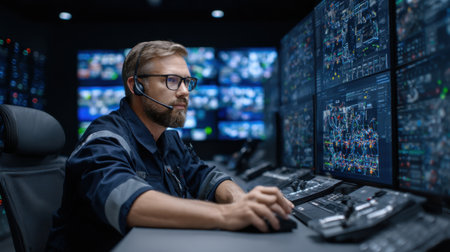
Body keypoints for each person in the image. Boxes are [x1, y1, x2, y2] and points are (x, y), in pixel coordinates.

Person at [46, 40, 293, 251]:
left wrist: (240, 200)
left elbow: (206, 176)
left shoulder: (168, 139)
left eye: (187, 82)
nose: (185, 92)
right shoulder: (104, 140)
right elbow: (127, 202)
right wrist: (227, 215)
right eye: (172, 81)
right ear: (136, 86)